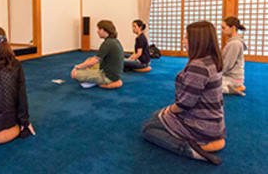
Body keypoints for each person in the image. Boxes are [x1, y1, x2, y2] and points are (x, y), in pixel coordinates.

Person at [142, 21, 226, 165]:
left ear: (197, 41)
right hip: (214, 122)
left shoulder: (198, 66)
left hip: (200, 124)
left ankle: (190, 150)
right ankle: (206, 141)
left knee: (148, 129)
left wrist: (168, 110)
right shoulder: (212, 60)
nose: (183, 41)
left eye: (186, 38)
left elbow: (185, 104)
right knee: (155, 116)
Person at [71, 20, 124, 87]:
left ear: (105, 30)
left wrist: (78, 67)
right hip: (113, 73)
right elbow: (96, 59)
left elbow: (94, 61)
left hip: (108, 76)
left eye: (99, 29)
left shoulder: (107, 43)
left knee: (74, 74)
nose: (97, 31)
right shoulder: (114, 41)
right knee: (88, 61)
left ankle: (109, 83)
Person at [221, 16, 247, 96]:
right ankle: (235, 85)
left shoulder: (234, 43)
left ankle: (234, 88)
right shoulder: (233, 42)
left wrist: (214, 75)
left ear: (233, 28)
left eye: (223, 28)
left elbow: (226, 66)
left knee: (208, 86)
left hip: (233, 79)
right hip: (231, 77)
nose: (221, 30)